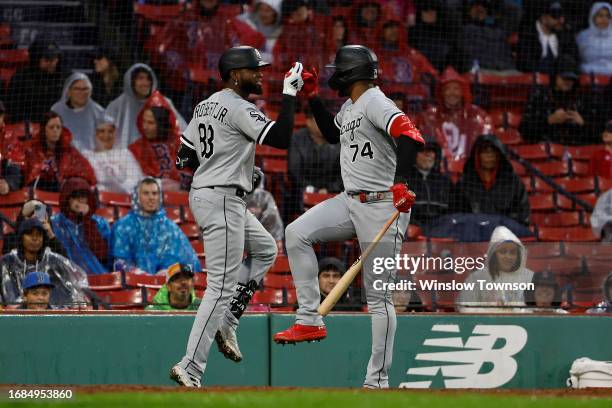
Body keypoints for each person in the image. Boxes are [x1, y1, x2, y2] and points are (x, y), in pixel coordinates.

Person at [273, 45, 423, 389]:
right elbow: (331, 134)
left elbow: (412, 137)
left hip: (384, 205)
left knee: (379, 297)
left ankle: (378, 381)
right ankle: (310, 318)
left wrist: (402, 183)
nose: (333, 75)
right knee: (296, 233)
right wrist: (311, 97)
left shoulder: (375, 100)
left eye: (338, 70)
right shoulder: (351, 105)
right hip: (351, 200)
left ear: (351, 73)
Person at [170, 46, 303, 386]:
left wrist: (231, 164)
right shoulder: (240, 106)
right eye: (253, 69)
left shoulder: (205, 103)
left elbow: (183, 155)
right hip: (223, 199)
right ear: (233, 75)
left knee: (266, 249)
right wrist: (290, 93)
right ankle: (191, 366)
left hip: (212, 193)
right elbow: (283, 138)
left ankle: (229, 319)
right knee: (219, 285)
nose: (260, 74)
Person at [111, 177, 201, 275]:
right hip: (134, 284)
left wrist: (171, 272)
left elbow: (192, 265)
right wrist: (141, 275)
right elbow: (119, 263)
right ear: (136, 196)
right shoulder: (123, 226)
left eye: (155, 193)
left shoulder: (171, 229)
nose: (151, 197)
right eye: (146, 193)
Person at [0, 218, 89, 308]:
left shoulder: (54, 261)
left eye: (39, 235)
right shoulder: (6, 262)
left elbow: (72, 292)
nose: (35, 238)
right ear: (21, 237)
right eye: (29, 234)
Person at [416, 67, 492, 163]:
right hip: (438, 171)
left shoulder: (479, 116)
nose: (451, 93)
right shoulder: (428, 117)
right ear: (441, 93)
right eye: (447, 89)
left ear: (463, 92)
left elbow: (486, 147)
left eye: (456, 89)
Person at [454, 134, 530, 226]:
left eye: (493, 152)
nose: (490, 156)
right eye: (485, 152)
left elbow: (522, 216)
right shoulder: (464, 184)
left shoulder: (514, 183)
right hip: (472, 235)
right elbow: (456, 217)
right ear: (477, 156)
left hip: (505, 235)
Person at [105, 63, 186, 149]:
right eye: (140, 78)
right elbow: (103, 132)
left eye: (148, 79)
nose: (145, 83)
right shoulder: (116, 106)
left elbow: (181, 129)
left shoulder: (163, 102)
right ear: (131, 81)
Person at [519, 55, 596, 145]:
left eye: (571, 79)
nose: (568, 82)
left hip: (575, 149)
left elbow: (599, 136)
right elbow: (524, 130)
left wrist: (583, 123)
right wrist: (549, 120)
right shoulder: (539, 95)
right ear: (555, 76)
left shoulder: (582, 98)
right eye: (565, 78)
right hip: (546, 149)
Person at [457, 226, 534, 312]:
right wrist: (493, 311)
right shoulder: (476, 278)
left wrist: (515, 310)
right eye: (502, 251)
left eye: (512, 252)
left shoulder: (530, 277)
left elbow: (538, 310)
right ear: (493, 254)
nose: (508, 257)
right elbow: (465, 308)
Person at [129, 91, 188, 192]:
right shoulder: (135, 148)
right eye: (144, 121)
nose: (145, 127)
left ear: (162, 124)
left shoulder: (181, 143)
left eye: (150, 123)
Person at [51, 177, 112, 275]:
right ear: (67, 199)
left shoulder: (100, 223)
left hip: (98, 277)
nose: (79, 200)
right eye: (75, 196)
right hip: (64, 276)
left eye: (83, 196)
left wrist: (87, 220)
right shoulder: (54, 223)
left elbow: (104, 256)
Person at [287, 107, 342, 214]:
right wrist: (313, 190)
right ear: (309, 122)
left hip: (334, 192)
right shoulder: (297, 139)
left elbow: (344, 173)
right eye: (320, 119)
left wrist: (329, 189)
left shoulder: (338, 139)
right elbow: (294, 171)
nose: (325, 123)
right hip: (303, 191)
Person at [23, 111, 97, 192]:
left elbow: (88, 173)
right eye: (51, 127)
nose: (55, 130)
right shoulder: (33, 150)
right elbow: (32, 176)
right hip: (40, 191)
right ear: (44, 129)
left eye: (58, 127)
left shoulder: (70, 151)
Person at [82, 115, 144, 194]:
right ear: (94, 133)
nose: (106, 136)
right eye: (101, 131)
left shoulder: (124, 154)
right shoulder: (86, 156)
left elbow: (135, 179)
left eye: (110, 131)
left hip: (124, 198)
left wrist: (119, 189)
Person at [7, 37, 62, 123]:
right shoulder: (20, 78)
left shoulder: (61, 78)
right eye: (48, 59)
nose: (53, 63)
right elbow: (12, 110)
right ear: (36, 59)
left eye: (55, 58)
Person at [516, 1, 578, 75]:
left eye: (562, 15)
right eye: (556, 16)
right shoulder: (528, 34)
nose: (561, 20)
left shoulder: (566, 34)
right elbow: (525, 64)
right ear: (543, 18)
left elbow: (574, 60)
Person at [456, 0, 516, 73]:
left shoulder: (499, 32)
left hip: (503, 71)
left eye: (483, 6)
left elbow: (514, 11)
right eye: (476, 5)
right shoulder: (463, 30)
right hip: (479, 71)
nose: (480, 9)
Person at [51, 72, 105, 153]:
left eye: (85, 89)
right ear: (68, 91)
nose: (81, 92)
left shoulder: (98, 111)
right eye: (77, 89)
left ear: (90, 91)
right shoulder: (56, 110)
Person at [405, 138, 453, 227]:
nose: (427, 154)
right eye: (422, 150)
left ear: (436, 155)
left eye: (430, 151)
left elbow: (454, 211)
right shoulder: (404, 180)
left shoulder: (445, 182)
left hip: (441, 231)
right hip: (411, 231)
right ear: (414, 154)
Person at [375, 17, 438, 85]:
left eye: (396, 26)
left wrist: (428, 78)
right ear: (381, 30)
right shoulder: (374, 56)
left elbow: (433, 76)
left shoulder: (413, 55)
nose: (393, 30)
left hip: (411, 94)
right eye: (388, 27)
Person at [408, 0, 455, 73]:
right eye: (426, 11)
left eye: (433, 10)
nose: (430, 14)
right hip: (419, 73)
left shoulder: (446, 30)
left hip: (442, 73)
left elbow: (453, 55)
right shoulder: (414, 32)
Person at [246, 168, 284, 251]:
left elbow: (272, 217)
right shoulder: (232, 196)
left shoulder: (265, 197)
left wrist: (277, 240)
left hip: (262, 240)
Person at [577, 2, 612, 75]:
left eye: (608, 16)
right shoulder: (582, 36)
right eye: (600, 15)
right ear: (593, 17)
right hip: (588, 78)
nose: (604, 19)